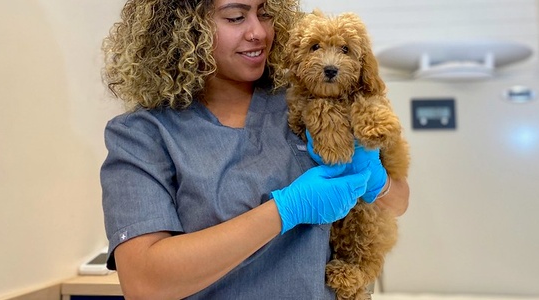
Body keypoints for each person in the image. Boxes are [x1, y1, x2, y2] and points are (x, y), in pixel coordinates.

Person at [100, 0, 409, 299]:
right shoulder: (143, 135)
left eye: (264, 13)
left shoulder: (308, 100)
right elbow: (144, 283)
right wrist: (285, 209)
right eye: (236, 17)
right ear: (185, 28)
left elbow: (399, 202)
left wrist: (376, 181)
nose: (258, 32)